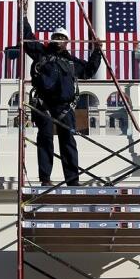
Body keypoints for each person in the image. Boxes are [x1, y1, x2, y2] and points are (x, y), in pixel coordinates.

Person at [21, 14, 103, 186]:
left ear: (67, 42)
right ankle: (45, 179)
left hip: (65, 107)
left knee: (68, 143)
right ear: (51, 39)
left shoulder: (71, 62)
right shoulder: (41, 53)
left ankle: (72, 181)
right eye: (56, 37)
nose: (58, 40)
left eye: (62, 38)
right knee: (45, 140)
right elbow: (28, 39)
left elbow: (88, 71)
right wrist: (24, 18)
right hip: (44, 105)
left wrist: (97, 51)